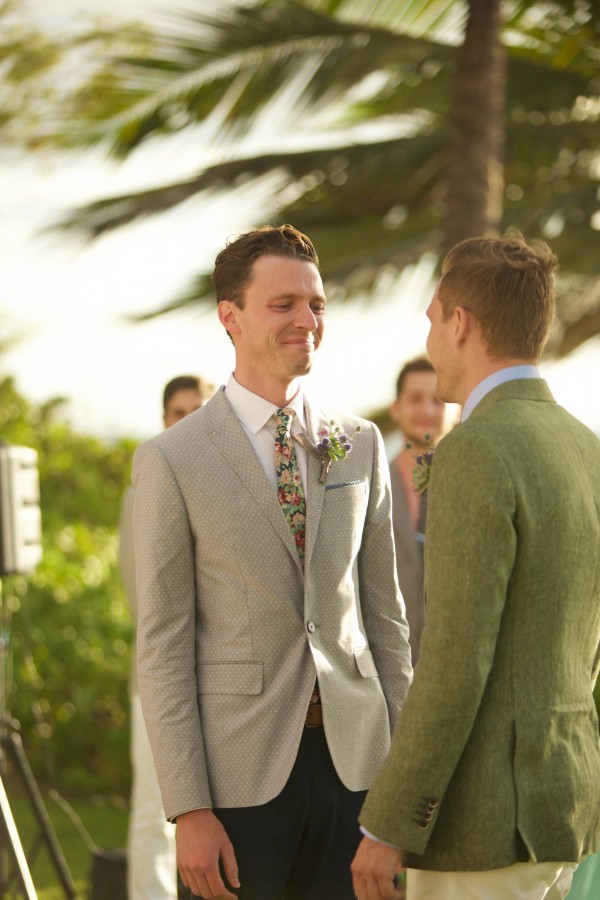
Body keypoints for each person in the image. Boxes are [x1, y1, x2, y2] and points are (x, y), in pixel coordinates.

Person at [132, 224, 413, 900]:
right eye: (283, 304)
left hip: (357, 774)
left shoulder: (361, 443)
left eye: (316, 304)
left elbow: (386, 621)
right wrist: (189, 810)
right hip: (239, 782)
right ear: (229, 317)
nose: (306, 320)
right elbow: (164, 644)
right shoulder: (173, 458)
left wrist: (402, 787)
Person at [352, 234, 600, 900]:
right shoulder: (586, 448)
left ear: (460, 323)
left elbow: (456, 657)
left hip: (483, 832)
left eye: (433, 319)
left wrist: (389, 823)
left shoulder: (471, 452)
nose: (430, 340)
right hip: (564, 814)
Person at [119, 374, 215, 900]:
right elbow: (146, 600)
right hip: (159, 680)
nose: (187, 419)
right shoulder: (142, 494)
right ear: (164, 421)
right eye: (177, 412)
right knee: (153, 809)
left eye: (197, 409)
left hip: (226, 683)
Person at [388, 357, 446, 665]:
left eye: (437, 401)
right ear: (396, 409)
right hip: (391, 667)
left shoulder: (471, 487)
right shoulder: (371, 487)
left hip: (454, 670)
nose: (426, 410)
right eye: (415, 399)